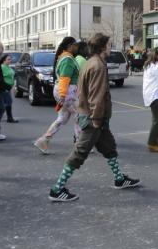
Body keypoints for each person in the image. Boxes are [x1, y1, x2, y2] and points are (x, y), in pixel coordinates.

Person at [48, 33, 140, 202]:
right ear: (102, 47)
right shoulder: (98, 66)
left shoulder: (90, 62)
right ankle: (57, 189)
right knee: (80, 152)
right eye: (109, 45)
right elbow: (96, 96)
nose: (110, 48)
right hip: (93, 118)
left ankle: (119, 179)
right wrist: (97, 120)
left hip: (96, 117)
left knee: (109, 148)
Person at [34, 37, 81, 154]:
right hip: (68, 92)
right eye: (75, 45)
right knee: (80, 115)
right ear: (70, 46)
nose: (77, 47)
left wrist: (62, 95)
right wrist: (63, 95)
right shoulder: (68, 59)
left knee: (62, 118)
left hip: (64, 91)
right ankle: (80, 144)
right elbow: (65, 78)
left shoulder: (64, 57)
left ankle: (44, 140)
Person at [1, 53, 18, 123]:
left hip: (9, 88)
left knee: (7, 102)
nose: (10, 60)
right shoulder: (2, 67)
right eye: (8, 59)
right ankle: (9, 118)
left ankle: (8, 117)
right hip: (4, 87)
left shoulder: (8, 67)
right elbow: (1, 78)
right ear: (4, 60)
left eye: (10, 59)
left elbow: (12, 75)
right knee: (8, 102)